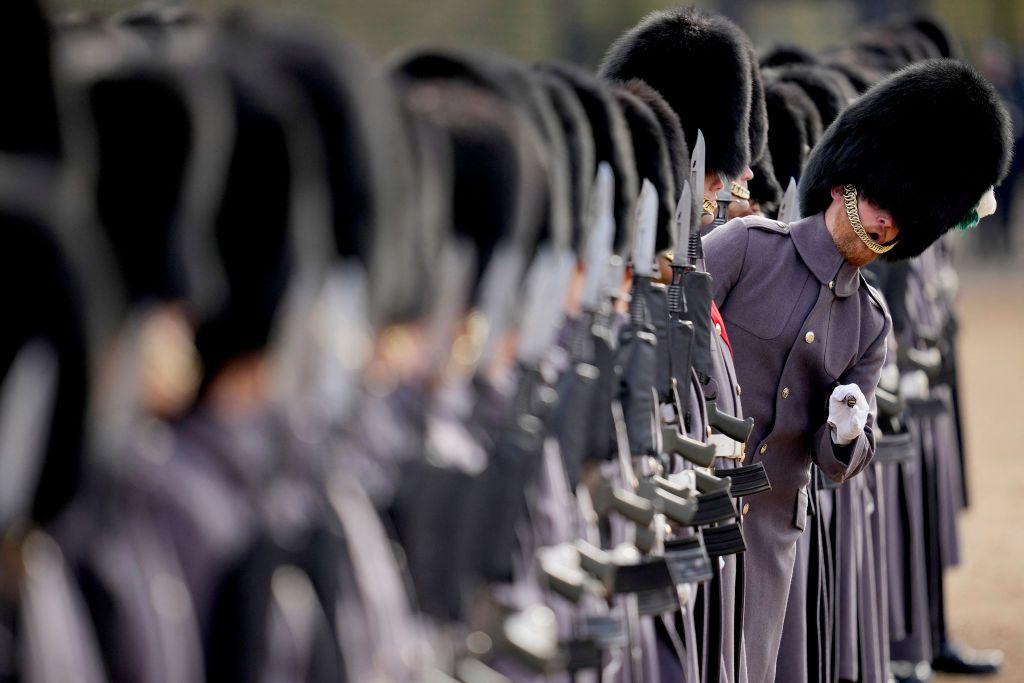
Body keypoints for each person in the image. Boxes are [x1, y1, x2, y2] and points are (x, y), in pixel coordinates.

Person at [702, 59, 1011, 682]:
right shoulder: (746, 250)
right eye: (881, 202)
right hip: (703, 505)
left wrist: (847, 434)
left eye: (903, 218)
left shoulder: (870, 323)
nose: (885, 222)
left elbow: (837, 461)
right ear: (850, 179)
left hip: (770, 531)